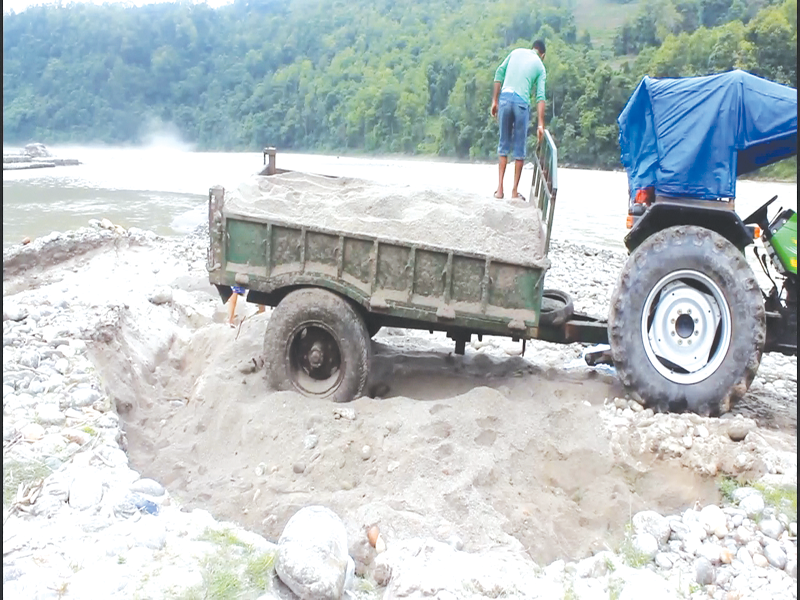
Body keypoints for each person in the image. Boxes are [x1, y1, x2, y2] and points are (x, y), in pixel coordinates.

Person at [490, 39, 547, 200]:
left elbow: (499, 73)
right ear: (542, 55)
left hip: (505, 98)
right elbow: (541, 96)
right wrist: (540, 124)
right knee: (519, 148)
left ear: (532, 48)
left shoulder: (515, 53)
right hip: (521, 103)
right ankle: (514, 191)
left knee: (503, 143)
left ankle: (500, 189)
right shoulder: (540, 66)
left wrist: (495, 101)